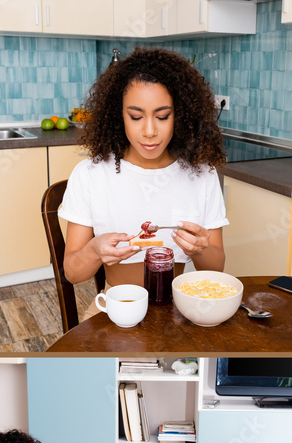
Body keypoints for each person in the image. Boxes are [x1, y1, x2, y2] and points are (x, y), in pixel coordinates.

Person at [59, 47, 229, 317]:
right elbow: (73, 273)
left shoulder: (201, 174)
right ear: (119, 115)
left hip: (179, 310)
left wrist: (201, 248)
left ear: (180, 115)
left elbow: (215, 269)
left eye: (163, 116)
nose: (149, 131)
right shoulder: (90, 174)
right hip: (116, 309)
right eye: (136, 117)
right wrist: (93, 251)